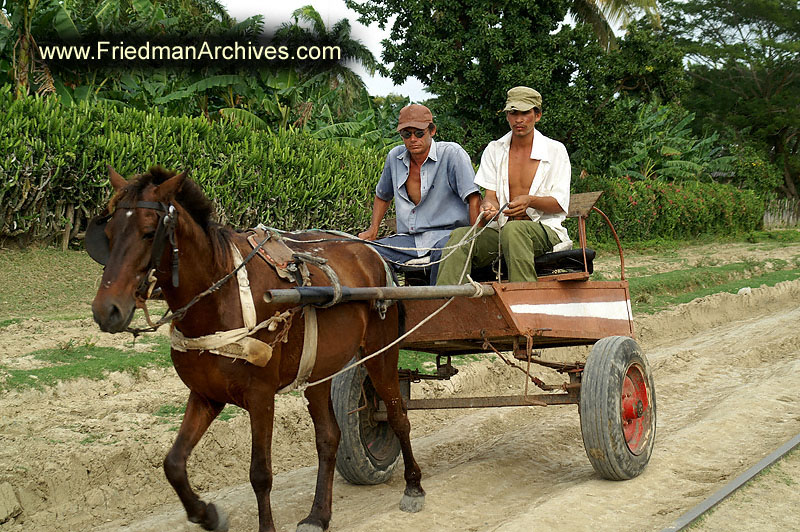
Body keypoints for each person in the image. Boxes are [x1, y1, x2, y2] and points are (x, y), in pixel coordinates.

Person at [436, 86, 572, 285]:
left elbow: (560, 204)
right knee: (460, 236)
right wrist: (488, 206)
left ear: (537, 116)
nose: (519, 119)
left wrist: (530, 201)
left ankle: (525, 301)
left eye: (525, 113)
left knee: (514, 230)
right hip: (502, 231)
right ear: (507, 116)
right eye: (513, 113)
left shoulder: (555, 151)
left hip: (545, 230)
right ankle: (446, 304)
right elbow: (490, 195)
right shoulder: (494, 149)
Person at [358, 104, 481, 284]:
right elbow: (383, 195)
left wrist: (472, 238)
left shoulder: (451, 153)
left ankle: (438, 304)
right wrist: (373, 229)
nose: (413, 139)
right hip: (411, 240)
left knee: (444, 252)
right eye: (407, 134)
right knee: (366, 252)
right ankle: (387, 305)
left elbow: (473, 198)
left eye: (419, 133)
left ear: (432, 131)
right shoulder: (394, 157)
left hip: (448, 236)